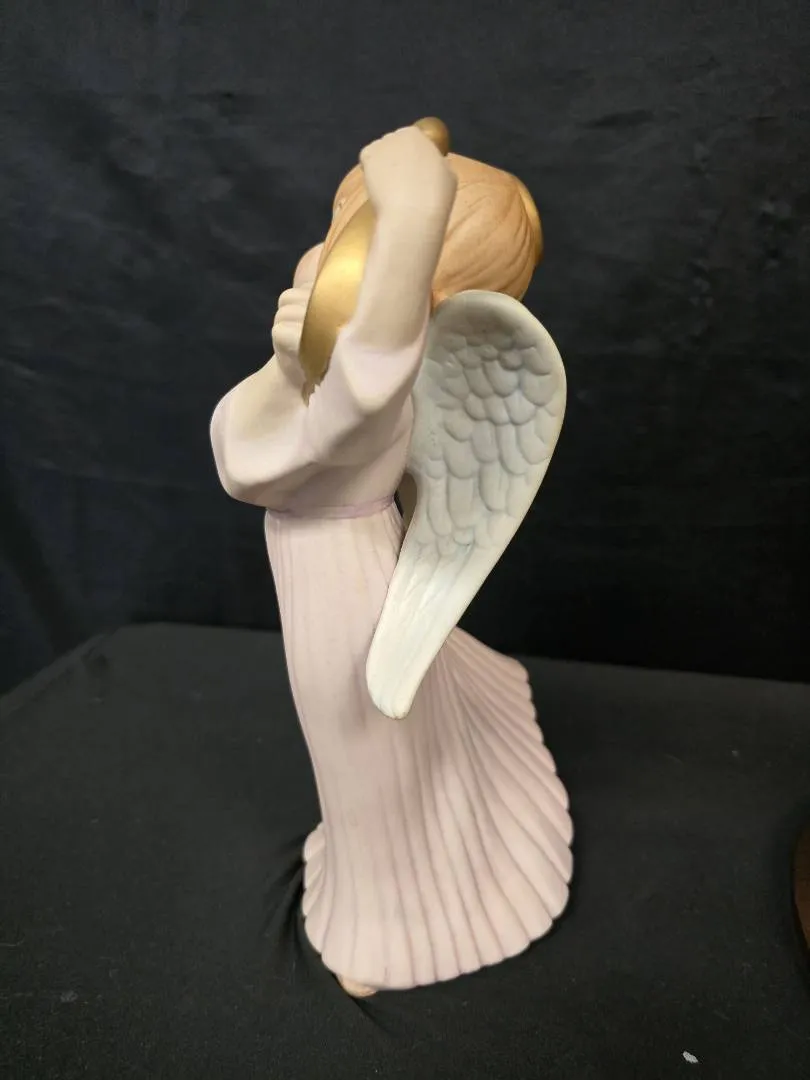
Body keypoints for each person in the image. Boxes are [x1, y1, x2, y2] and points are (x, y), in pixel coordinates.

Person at [211, 125, 572, 995]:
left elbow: (327, 414)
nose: (327, 254)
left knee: (363, 750)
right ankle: (379, 876)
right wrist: (286, 365)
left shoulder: (384, 383)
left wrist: (413, 205)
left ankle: (394, 930)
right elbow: (237, 448)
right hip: (321, 565)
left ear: (420, 286)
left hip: (343, 582)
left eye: (369, 239)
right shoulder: (341, 364)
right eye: (344, 224)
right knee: (362, 750)